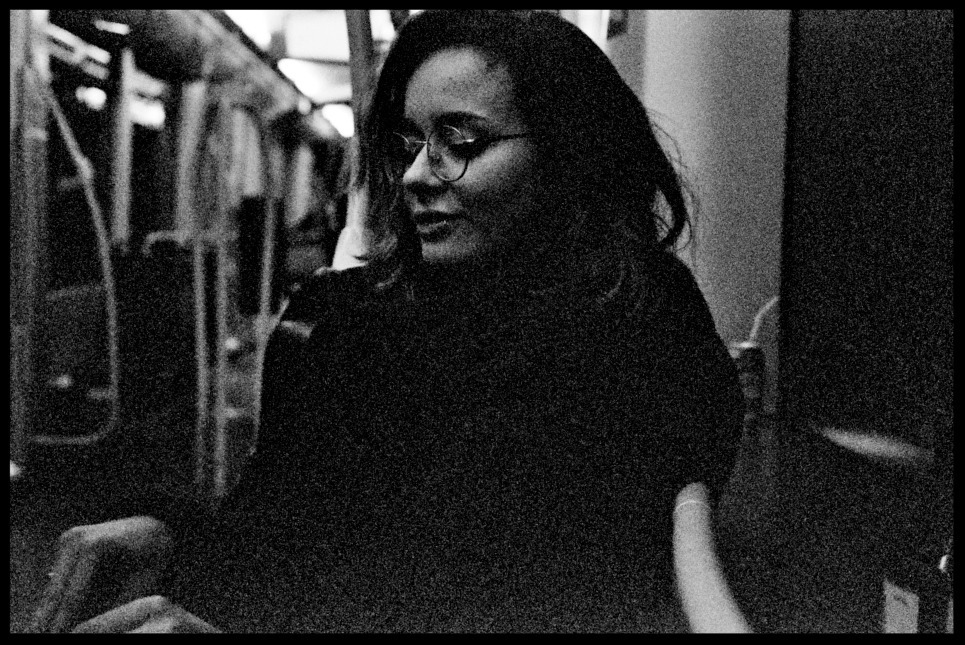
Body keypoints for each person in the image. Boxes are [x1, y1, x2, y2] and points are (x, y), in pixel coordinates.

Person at [74, 9, 743, 633]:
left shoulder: (633, 343)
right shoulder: (347, 323)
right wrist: (173, 539)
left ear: (571, 156)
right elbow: (287, 527)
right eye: (410, 144)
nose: (417, 175)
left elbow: (498, 594)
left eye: (461, 141)